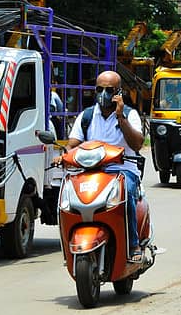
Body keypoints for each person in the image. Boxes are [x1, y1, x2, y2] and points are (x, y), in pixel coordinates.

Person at [56, 71, 146, 262]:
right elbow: (73, 144)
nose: (103, 93)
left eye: (109, 90)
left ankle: (133, 244)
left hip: (123, 171)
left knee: (126, 194)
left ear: (118, 92)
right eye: (99, 89)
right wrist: (63, 156)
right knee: (66, 198)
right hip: (91, 172)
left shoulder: (131, 115)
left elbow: (137, 144)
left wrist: (121, 118)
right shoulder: (87, 116)